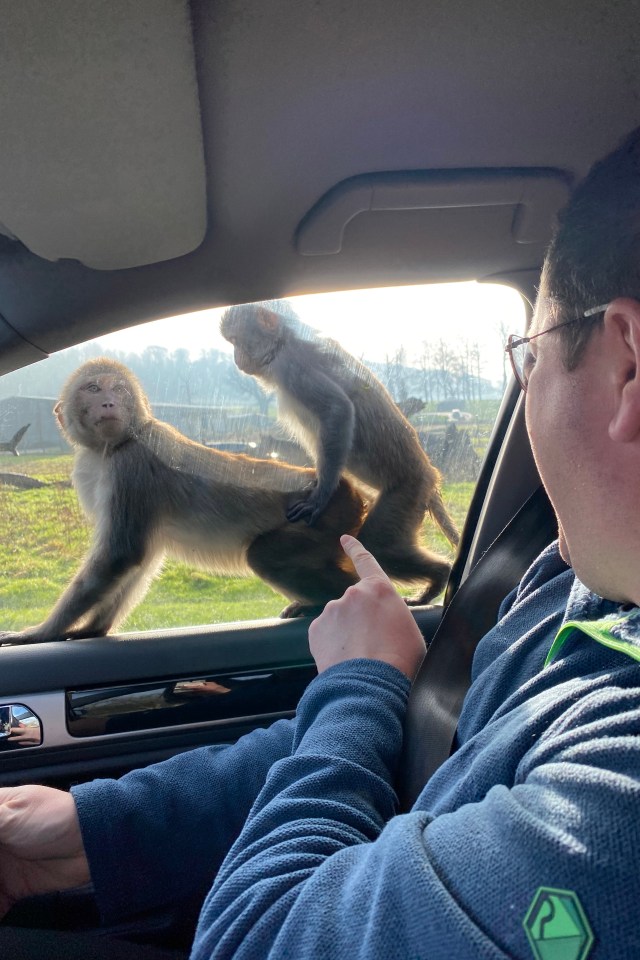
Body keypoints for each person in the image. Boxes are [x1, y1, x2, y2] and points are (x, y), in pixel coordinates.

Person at [2, 128, 640, 959]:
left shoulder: (616, 795)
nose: (523, 392)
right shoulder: (569, 580)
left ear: (626, 367)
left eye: (529, 354)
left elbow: (256, 942)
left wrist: (360, 682)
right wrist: (102, 829)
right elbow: (422, 733)